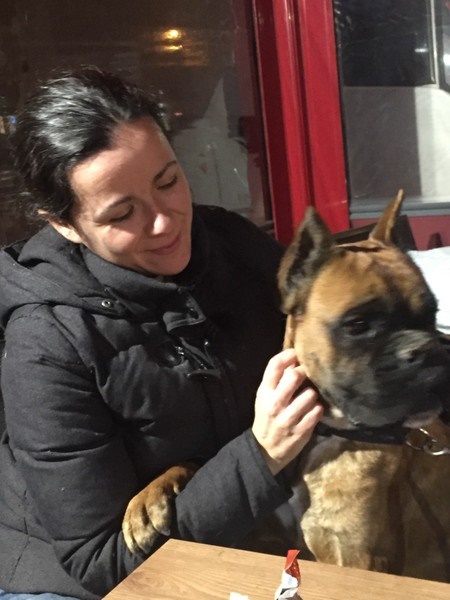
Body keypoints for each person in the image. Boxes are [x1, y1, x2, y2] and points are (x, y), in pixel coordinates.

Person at [0, 67, 323, 600]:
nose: (164, 222)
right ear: (63, 224)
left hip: (242, 536)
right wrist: (262, 453)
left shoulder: (232, 245)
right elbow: (103, 562)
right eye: (122, 213)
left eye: (169, 180)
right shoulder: (47, 342)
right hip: (80, 584)